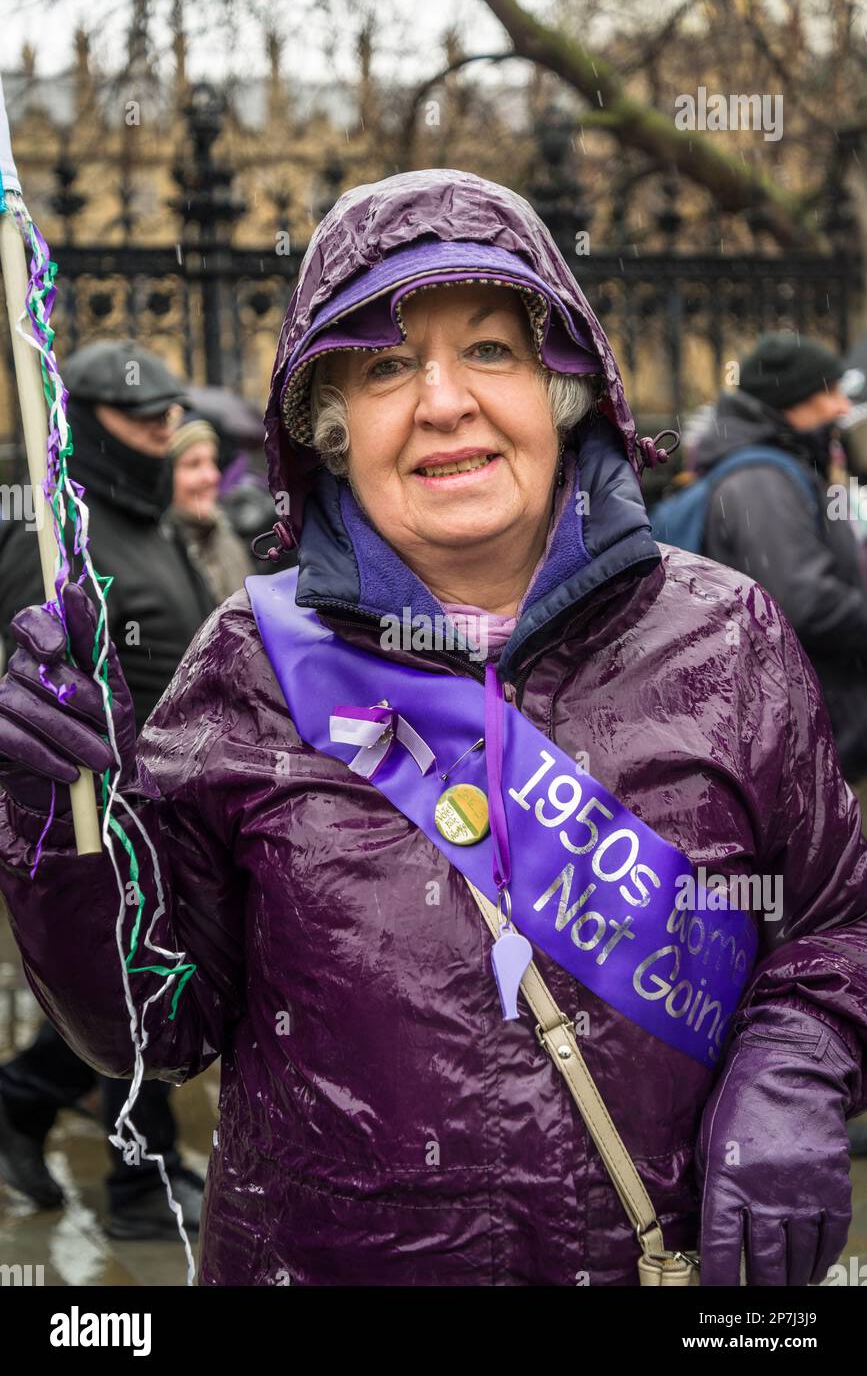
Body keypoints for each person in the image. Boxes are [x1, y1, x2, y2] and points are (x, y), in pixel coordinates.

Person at [0, 170, 865, 1286]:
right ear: (330, 429)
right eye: (385, 364)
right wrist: (60, 827)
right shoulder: (247, 664)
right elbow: (146, 1030)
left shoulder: (727, 635)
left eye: (492, 351)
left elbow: (833, 922)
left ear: (564, 388)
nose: (444, 400)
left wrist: (796, 1066)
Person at [0, 339, 210, 1238]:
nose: (164, 434)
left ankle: (20, 1104)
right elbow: (25, 687)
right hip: (96, 817)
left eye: (172, 415)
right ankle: (137, 1185)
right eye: (143, 417)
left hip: (174, 817)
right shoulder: (51, 539)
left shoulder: (151, 524)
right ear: (86, 423)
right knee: (128, 992)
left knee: (143, 992)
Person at [692, 335, 867, 796]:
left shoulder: (783, 466)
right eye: (828, 392)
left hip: (819, 730)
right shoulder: (760, 480)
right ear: (794, 401)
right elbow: (802, 601)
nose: (840, 406)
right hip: (803, 740)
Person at [166, 412, 251, 606]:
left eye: (213, 461)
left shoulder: (224, 534)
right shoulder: (163, 549)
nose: (212, 476)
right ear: (166, 475)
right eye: (194, 464)